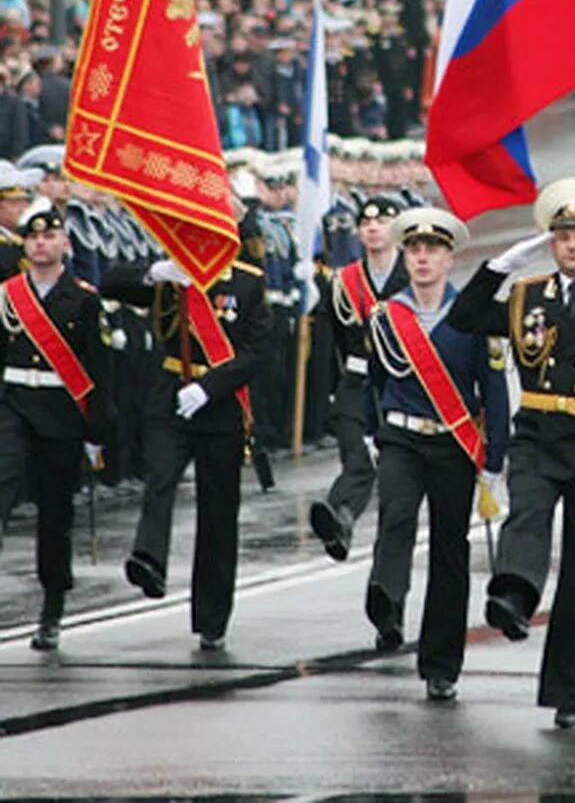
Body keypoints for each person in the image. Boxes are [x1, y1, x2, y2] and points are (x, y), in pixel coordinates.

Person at [447, 177, 575, 729]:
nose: (570, 245)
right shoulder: (526, 296)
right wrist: (499, 267)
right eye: (561, 236)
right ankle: (513, 597)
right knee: (528, 516)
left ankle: (569, 693)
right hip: (539, 434)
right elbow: (463, 319)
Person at [102, 210, 270, 651]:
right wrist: (157, 271)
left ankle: (212, 617)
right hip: (170, 393)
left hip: (219, 405)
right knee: (160, 478)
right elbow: (110, 282)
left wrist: (210, 388)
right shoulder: (172, 274)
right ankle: (149, 560)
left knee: (218, 511)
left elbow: (255, 354)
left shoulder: (248, 282)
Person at [364, 207, 509, 700]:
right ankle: (385, 602)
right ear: (405, 257)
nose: (423, 258)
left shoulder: (472, 316)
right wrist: (371, 431)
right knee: (397, 514)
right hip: (402, 437)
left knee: (450, 549)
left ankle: (441, 663)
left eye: (433, 251)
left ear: (450, 259)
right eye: (414, 250)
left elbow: (494, 391)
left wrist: (494, 461)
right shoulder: (387, 316)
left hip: (453, 442)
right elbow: (375, 381)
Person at [0, 203, 107, 650]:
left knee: (55, 514)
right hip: (12, 405)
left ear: (65, 243)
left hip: (61, 412)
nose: (41, 243)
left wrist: (97, 434)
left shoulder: (83, 298)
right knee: (3, 482)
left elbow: (98, 368)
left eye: (49, 236)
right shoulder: (8, 295)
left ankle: (52, 607)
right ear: (25, 245)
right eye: (33, 236)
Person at [309, 196, 408, 566]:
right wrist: (334, 394)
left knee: (397, 473)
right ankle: (339, 516)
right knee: (357, 459)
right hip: (358, 380)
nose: (372, 228)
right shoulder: (344, 282)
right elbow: (331, 341)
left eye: (382, 221)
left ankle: (348, 525)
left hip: (400, 381)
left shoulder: (414, 274)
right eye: (365, 223)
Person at [0, 161, 42, 280]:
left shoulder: (19, 237)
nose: (22, 209)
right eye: (14, 203)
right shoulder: (9, 243)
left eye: (25, 202)